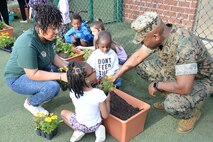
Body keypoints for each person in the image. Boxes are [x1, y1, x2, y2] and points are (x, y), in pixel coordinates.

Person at [110, 12, 213, 133]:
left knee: (173, 104)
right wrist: (115, 76)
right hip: (180, 72)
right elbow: (137, 57)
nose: (143, 44)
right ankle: (171, 93)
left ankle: (192, 114)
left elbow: (185, 87)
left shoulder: (184, 46)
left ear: (155, 37)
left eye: (143, 41)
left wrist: (157, 85)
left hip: (202, 79)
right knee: (143, 67)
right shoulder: (163, 33)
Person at [4, 4, 68, 116]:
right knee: (53, 87)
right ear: (41, 26)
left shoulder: (48, 36)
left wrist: (67, 68)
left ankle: (45, 91)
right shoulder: (28, 43)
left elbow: (53, 56)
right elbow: (33, 74)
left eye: (57, 27)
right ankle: (31, 103)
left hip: (38, 68)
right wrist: (61, 76)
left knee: (69, 67)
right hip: (17, 78)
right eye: (53, 28)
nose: (57, 31)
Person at [61, 61, 110, 142]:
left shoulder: (73, 91)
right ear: (87, 80)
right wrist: (107, 100)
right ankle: (99, 130)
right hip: (96, 125)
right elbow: (105, 115)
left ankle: (78, 131)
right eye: (92, 71)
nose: (94, 71)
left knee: (63, 113)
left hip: (81, 125)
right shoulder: (99, 93)